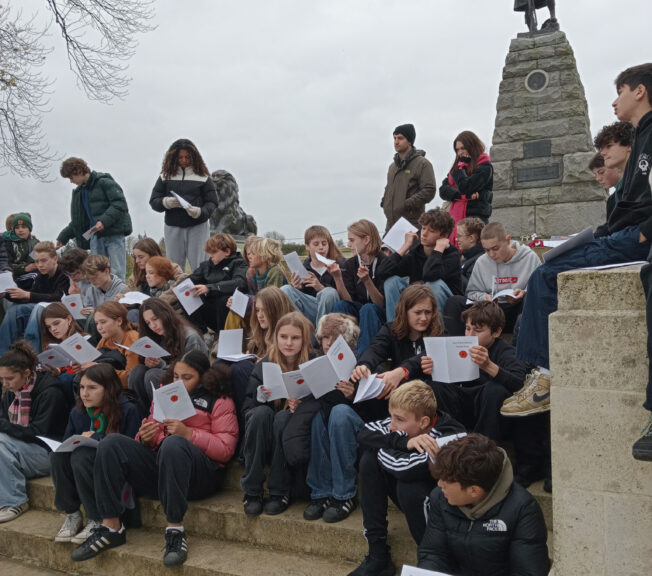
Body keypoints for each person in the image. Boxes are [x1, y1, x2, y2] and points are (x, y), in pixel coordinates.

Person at [504, 65, 652, 436]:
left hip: (634, 240)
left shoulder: (648, 137)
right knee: (548, 269)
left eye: (619, 92)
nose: (614, 101)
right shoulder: (643, 135)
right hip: (623, 235)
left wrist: (642, 235)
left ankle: (544, 378)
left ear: (639, 92)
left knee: (544, 275)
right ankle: (539, 375)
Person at [71, 352, 238, 566]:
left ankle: (175, 531)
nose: (179, 382)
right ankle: (111, 527)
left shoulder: (220, 400)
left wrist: (189, 434)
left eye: (187, 377)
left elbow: (225, 449)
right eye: (176, 376)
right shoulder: (164, 394)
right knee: (111, 443)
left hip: (200, 476)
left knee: (174, 443)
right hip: (163, 470)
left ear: (204, 376)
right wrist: (146, 436)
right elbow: (153, 429)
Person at [348, 380, 465, 576]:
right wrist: (403, 441)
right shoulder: (402, 422)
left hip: (446, 511)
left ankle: (434, 561)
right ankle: (378, 554)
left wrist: (383, 447)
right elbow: (364, 434)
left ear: (424, 422)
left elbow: (406, 469)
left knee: (408, 486)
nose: (392, 425)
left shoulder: (449, 434)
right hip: (415, 498)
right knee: (368, 460)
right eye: (390, 416)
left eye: (399, 419)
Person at [418, 434, 550, 576]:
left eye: (446, 481)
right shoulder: (440, 497)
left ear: (474, 491)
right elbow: (433, 554)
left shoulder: (523, 509)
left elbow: (528, 572)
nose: (439, 484)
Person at [50, 363, 139, 544]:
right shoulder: (78, 412)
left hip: (116, 473)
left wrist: (97, 438)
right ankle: (72, 514)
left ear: (109, 389)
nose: (84, 393)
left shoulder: (128, 410)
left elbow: (131, 450)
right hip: (84, 469)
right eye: (82, 387)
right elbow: (67, 443)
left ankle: (97, 518)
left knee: (82, 456)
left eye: (92, 388)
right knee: (58, 455)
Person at [240, 312, 316, 516]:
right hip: (262, 430)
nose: (288, 343)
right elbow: (246, 409)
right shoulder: (265, 364)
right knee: (260, 414)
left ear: (304, 339)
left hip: (293, 433)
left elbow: (323, 400)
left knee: (284, 418)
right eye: (283, 337)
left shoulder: (313, 362)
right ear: (276, 337)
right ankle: (252, 490)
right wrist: (264, 398)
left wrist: (302, 403)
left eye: (295, 338)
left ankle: (279, 490)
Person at [426, 302, 527, 440]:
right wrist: (429, 367)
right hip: (461, 404)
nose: (470, 335)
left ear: (496, 332)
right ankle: (450, 438)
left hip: (488, 410)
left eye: (478, 331)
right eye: (467, 328)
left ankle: (483, 446)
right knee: (435, 385)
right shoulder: (458, 344)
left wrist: (488, 366)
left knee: (495, 390)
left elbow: (521, 384)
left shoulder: (506, 352)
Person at [0, 341, 67, 523]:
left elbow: (38, 433)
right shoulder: (11, 392)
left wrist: (3, 427)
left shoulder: (50, 392)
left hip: (48, 452)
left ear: (27, 373)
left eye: (9, 379)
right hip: (19, 448)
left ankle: (15, 501)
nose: (5, 384)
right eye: (2, 379)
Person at [304, 312, 361, 523]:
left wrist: (353, 395)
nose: (328, 343)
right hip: (327, 426)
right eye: (325, 337)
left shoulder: (361, 362)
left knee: (339, 412)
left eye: (335, 338)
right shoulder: (317, 364)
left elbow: (376, 411)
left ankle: (344, 494)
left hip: (354, 427)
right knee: (317, 416)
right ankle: (321, 492)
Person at [444, 222, 541, 336]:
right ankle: (460, 347)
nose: (491, 254)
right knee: (454, 302)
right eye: (487, 250)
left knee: (531, 300)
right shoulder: (482, 261)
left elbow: (540, 288)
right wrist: (484, 298)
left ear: (508, 240)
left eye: (495, 248)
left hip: (517, 311)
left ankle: (520, 349)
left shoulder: (529, 257)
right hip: (489, 312)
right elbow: (471, 292)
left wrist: (524, 293)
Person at [351, 284, 443, 401]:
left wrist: (402, 371)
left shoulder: (440, 332)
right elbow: (375, 349)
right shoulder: (391, 330)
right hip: (399, 397)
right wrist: (364, 365)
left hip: (430, 397)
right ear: (405, 311)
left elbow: (428, 353)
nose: (424, 318)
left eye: (428, 312)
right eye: (418, 312)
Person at [128, 298, 208, 418]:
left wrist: (160, 365)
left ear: (165, 314)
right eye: (148, 323)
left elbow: (191, 373)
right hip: (168, 377)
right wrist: (149, 361)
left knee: (153, 374)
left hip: (189, 385)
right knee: (137, 372)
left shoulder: (190, 337)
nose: (153, 326)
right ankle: (144, 416)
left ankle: (163, 417)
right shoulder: (156, 335)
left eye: (155, 319)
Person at [58, 157, 132, 282]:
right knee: (96, 273)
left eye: (71, 177)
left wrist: (103, 221)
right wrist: (63, 237)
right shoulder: (79, 193)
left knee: (117, 272)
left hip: (113, 234)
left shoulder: (104, 182)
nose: (71, 181)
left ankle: (118, 300)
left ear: (78, 171)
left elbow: (119, 204)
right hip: (95, 236)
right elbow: (78, 221)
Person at [149, 139, 218, 271]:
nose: (184, 160)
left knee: (200, 265)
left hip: (198, 227)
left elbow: (213, 202)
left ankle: (202, 290)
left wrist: (200, 212)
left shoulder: (203, 177)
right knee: (174, 268)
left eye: (187, 157)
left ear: (194, 157)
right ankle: (175, 291)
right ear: (174, 158)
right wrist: (166, 202)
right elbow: (154, 201)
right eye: (180, 157)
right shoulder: (165, 176)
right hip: (173, 227)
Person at [329, 219, 397, 354]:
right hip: (360, 309)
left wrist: (367, 281)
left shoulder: (386, 263)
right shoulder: (350, 264)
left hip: (379, 313)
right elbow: (349, 300)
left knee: (368, 308)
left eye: (352, 240)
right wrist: (338, 278)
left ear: (366, 240)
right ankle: (336, 354)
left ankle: (364, 359)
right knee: (340, 306)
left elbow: (382, 303)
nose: (348, 244)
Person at [384, 208, 463, 320]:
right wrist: (405, 246)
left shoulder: (452, 255)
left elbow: (430, 275)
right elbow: (383, 272)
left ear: (444, 235)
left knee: (433, 285)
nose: (424, 234)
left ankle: (436, 334)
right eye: (423, 228)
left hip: (448, 309)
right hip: (418, 303)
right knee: (391, 282)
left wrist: (438, 249)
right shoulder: (416, 252)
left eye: (431, 231)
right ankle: (396, 330)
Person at [0, 241, 70, 354]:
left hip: (63, 310)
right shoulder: (41, 275)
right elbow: (31, 297)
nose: (40, 265)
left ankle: (31, 355)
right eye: (37, 261)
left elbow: (58, 297)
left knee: (38, 308)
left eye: (44, 260)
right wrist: (6, 293)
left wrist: (28, 295)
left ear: (55, 259)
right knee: (15, 310)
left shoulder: (64, 273)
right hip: (45, 308)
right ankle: (2, 355)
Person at [281, 225, 344, 327]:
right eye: (316, 244)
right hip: (310, 309)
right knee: (285, 289)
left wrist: (320, 288)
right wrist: (297, 288)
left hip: (331, 310)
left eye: (324, 243)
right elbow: (301, 298)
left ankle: (322, 337)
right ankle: (303, 333)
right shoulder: (303, 268)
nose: (321, 247)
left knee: (328, 292)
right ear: (307, 246)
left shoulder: (338, 265)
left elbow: (343, 297)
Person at [439, 131, 493, 246]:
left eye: (463, 148)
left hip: (475, 222)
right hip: (456, 220)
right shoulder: (457, 169)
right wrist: (463, 197)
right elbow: (443, 190)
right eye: (457, 150)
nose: (460, 153)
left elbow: (466, 187)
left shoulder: (485, 167)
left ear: (472, 146)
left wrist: (460, 168)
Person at [187, 233, 248, 334]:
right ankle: (202, 333)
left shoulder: (239, 263)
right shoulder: (206, 265)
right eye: (209, 252)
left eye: (214, 252)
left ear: (227, 251)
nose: (210, 256)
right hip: (210, 310)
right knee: (185, 293)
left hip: (228, 310)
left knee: (224, 300)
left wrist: (210, 288)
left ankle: (223, 337)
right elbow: (190, 280)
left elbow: (240, 283)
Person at [224, 236, 287, 330]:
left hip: (276, 313)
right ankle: (230, 342)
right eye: (249, 253)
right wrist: (237, 300)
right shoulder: (251, 273)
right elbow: (251, 295)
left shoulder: (275, 272)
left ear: (265, 255)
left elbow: (271, 301)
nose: (249, 256)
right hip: (259, 309)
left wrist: (246, 300)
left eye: (253, 253)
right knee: (234, 311)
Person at [381, 124, 436, 231]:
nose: (396, 142)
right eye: (394, 138)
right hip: (390, 223)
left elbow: (429, 190)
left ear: (410, 141)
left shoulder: (423, 164)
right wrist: (385, 202)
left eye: (400, 138)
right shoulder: (392, 167)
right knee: (384, 248)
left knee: (410, 248)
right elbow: (389, 188)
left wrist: (405, 204)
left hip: (411, 223)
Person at [39, 302, 88, 406]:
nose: (53, 329)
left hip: (78, 383)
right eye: (49, 327)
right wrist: (55, 370)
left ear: (69, 319)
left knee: (65, 379)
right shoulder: (52, 345)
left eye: (56, 323)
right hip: (62, 385)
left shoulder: (85, 340)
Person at [592, 122, 634, 237]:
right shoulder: (613, 198)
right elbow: (611, 227)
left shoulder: (640, 182)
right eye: (601, 148)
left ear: (629, 145)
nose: (603, 153)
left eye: (609, 146)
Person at [91, 302, 140, 387]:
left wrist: (100, 369)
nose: (99, 327)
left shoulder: (132, 339)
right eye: (96, 323)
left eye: (103, 322)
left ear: (119, 321)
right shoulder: (106, 339)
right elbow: (93, 360)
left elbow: (130, 379)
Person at [2, 212, 39, 290]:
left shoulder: (34, 242)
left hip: (31, 271)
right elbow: (6, 264)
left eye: (24, 227)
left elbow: (34, 259)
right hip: (15, 275)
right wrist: (24, 268)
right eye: (17, 227)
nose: (20, 230)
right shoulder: (7, 243)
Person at [456, 217, 486, 292]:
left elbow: (470, 289)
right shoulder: (467, 257)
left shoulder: (480, 260)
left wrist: (453, 270)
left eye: (459, 236)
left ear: (471, 238)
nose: (456, 239)